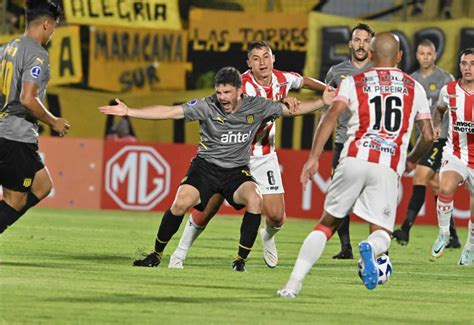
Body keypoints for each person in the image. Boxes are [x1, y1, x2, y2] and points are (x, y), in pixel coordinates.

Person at [99, 67, 334, 272]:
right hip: (206, 168)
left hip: (236, 171)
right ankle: (156, 254)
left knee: (255, 199)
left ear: (239, 91)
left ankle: (240, 260)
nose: (221, 97)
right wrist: (130, 112)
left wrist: (324, 101)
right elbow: (169, 112)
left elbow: (293, 110)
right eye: (219, 92)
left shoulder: (257, 106)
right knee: (181, 202)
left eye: (227, 92)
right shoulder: (206, 106)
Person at [277, 32, 434, 298]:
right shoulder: (414, 87)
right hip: (387, 165)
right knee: (382, 233)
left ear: (371, 55)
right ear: (399, 57)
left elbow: (330, 117)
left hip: (353, 158)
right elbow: (429, 135)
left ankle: (292, 285)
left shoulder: (354, 82)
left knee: (326, 224)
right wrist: (412, 159)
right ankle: (370, 249)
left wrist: (313, 157)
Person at [168, 41, 327, 269]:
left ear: (274, 59)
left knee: (277, 217)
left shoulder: (283, 79)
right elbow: (257, 107)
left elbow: (303, 80)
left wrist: (329, 90)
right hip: (232, 155)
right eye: (255, 58)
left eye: (266, 57)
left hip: (263, 155)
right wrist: (281, 102)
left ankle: (268, 237)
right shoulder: (242, 85)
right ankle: (179, 254)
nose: (262, 63)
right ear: (248, 63)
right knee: (208, 208)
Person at [0, 1, 70, 236]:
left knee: (42, 186)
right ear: (46, 24)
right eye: (55, 27)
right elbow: (28, 99)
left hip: (5, 130)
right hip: (15, 135)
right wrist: (54, 121)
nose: (53, 32)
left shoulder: (7, 48)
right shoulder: (37, 54)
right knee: (15, 201)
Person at [393, 39, 459, 247]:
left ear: (434, 55)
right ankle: (453, 236)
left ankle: (405, 229)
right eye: (421, 53)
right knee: (435, 185)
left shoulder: (445, 78)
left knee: (420, 176)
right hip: (421, 140)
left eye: (429, 53)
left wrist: (441, 126)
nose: (425, 57)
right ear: (417, 55)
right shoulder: (411, 80)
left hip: (441, 139)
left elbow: (453, 105)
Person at [324, 23, 375, 259]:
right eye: (357, 39)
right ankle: (345, 247)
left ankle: (377, 246)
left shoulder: (379, 71)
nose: (361, 44)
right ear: (350, 43)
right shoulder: (336, 72)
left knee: (374, 194)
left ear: (371, 44)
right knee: (340, 194)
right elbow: (327, 106)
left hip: (373, 141)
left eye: (366, 40)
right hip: (344, 142)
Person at [431, 48, 474, 265]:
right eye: (464, 63)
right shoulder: (448, 90)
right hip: (456, 152)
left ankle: (471, 246)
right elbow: (439, 110)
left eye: (472, 63)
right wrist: (437, 125)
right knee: (445, 187)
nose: (468, 68)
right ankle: (444, 233)